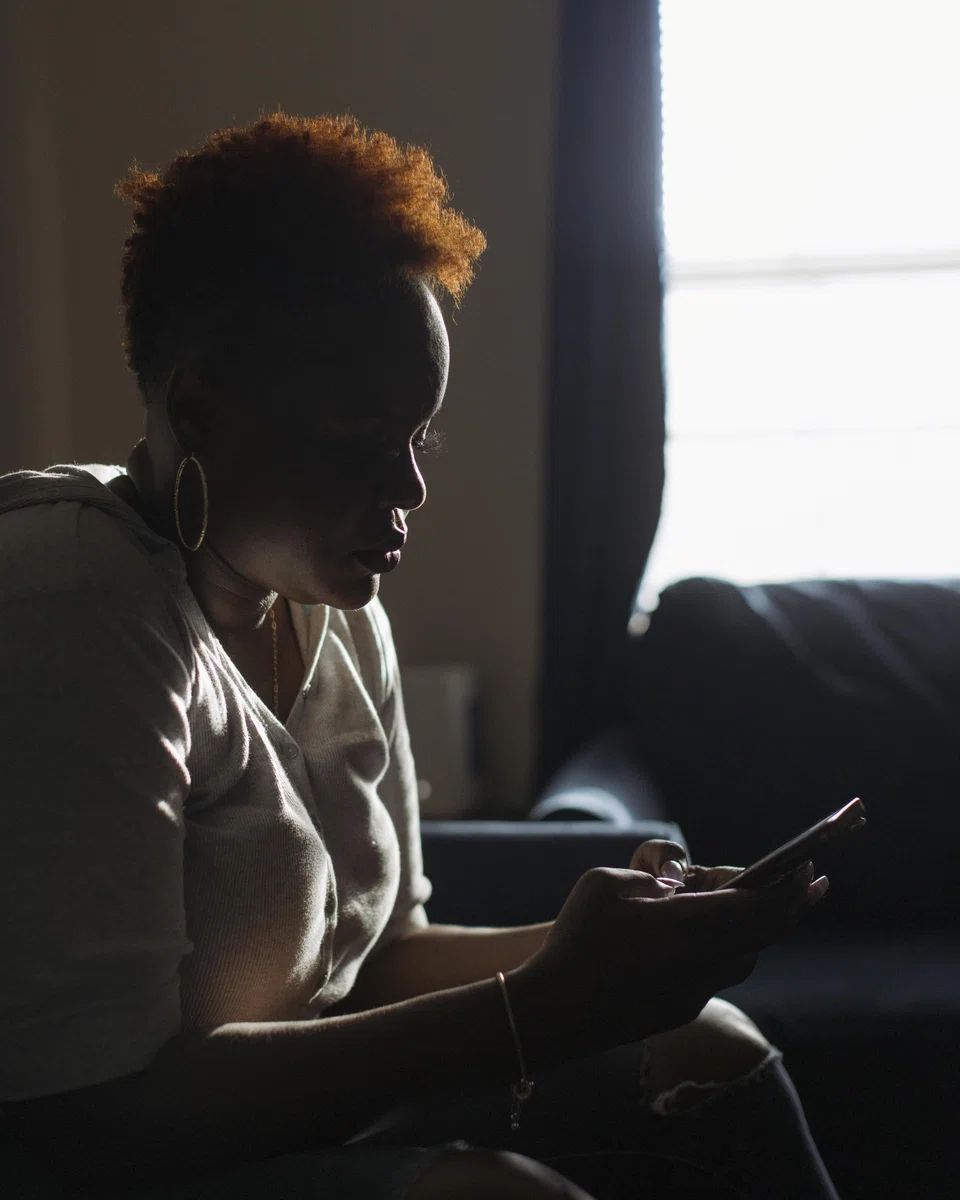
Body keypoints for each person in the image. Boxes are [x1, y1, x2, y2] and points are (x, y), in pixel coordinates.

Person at [0, 112, 840, 1199]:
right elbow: (89, 1114)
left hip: (290, 1116)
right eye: (359, 434)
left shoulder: (335, 603)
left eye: (419, 435)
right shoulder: (68, 603)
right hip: (109, 1161)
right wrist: (546, 1008)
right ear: (202, 408)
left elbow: (382, 955)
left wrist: (618, 951)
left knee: (713, 1046)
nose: (410, 490)